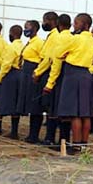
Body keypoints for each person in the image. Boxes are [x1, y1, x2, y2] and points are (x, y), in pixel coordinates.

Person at [54, 13, 93, 148]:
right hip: (86, 75)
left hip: (73, 75)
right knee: (86, 113)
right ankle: (84, 144)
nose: (74, 25)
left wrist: (67, 54)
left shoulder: (75, 39)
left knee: (75, 113)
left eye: (77, 23)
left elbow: (58, 53)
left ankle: (76, 144)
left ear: (85, 25)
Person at [42, 14, 74, 145]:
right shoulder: (73, 38)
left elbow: (55, 61)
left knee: (54, 108)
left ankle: (50, 139)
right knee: (65, 109)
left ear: (58, 24)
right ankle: (64, 141)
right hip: (69, 75)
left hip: (58, 76)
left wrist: (50, 83)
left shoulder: (59, 38)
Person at [33, 11, 60, 145]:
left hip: (47, 72)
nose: (43, 24)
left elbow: (48, 58)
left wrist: (38, 72)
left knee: (49, 106)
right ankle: (49, 137)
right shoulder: (52, 36)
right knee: (49, 106)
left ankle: (49, 138)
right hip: (47, 71)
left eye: (44, 21)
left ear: (50, 21)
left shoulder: (55, 36)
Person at [0, 25, 25, 138]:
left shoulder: (11, 47)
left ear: (11, 34)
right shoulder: (24, 46)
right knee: (17, 102)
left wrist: (0, 77)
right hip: (21, 74)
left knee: (5, 100)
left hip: (11, 75)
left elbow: (6, 64)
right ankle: (14, 131)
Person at [19, 20, 45, 143]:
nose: (25, 29)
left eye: (27, 27)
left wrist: (37, 72)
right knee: (30, 104)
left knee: (35, 106)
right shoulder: (30, 42)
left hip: (34, 73)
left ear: (35, 28)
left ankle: (34, 135)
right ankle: (31, 134)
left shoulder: (39, 43)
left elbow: (43, 58)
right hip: (26, 72)